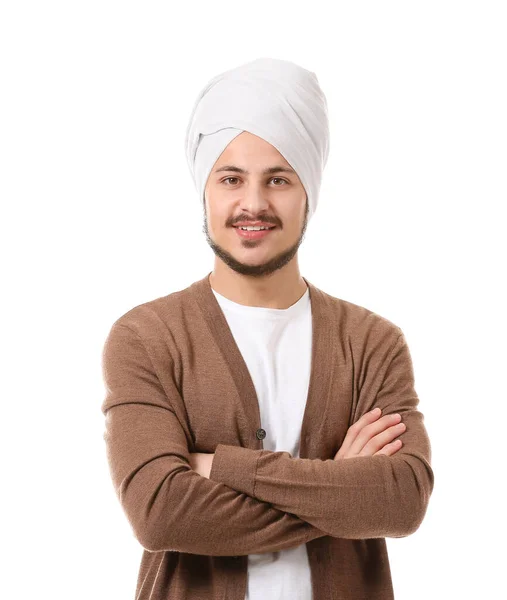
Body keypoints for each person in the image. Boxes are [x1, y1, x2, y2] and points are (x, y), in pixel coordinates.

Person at [101, 57, 434, 600]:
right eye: (231, 178)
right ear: (204, 190)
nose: (252, 204)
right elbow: (160, 512)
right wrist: (339, 490)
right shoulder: (147, 337)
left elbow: (401, 500)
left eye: (278, 179)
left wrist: (222, 466)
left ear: (309, 193)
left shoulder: (372, 342)